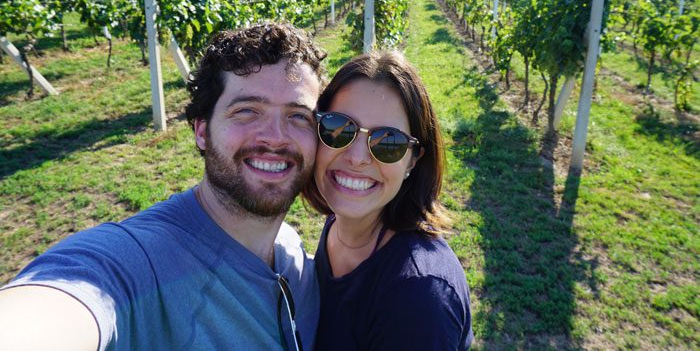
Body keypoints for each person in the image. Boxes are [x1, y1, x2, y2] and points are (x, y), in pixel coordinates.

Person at [0, 23, 326, 351]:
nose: (275, 137)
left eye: (298, 117)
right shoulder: (136, 263)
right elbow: (52, 309)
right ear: (202, 130)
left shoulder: (291, 250)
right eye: (246, 111)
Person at [303, 50, 473, 350]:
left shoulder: (417, 296)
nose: (356, 158)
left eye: (388, 143)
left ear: (412, 162)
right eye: (338, 128)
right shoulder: (339, 224)